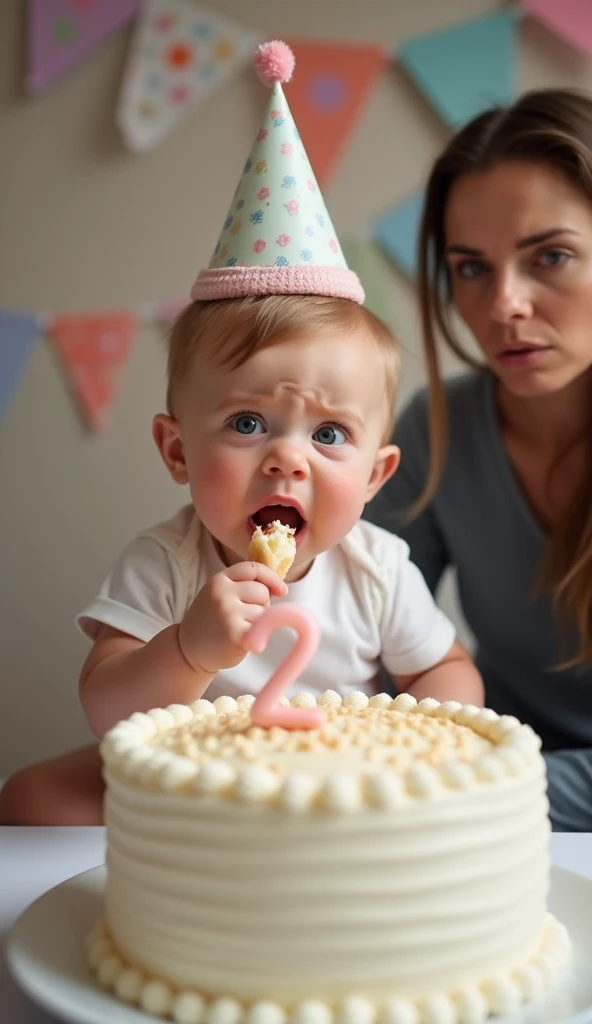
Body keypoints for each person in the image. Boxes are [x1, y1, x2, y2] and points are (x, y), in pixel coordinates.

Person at [0, 42, 483, 826]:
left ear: (376, 474)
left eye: (330, 434)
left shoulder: (378, 567)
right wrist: (188, 648)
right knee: (28, 798)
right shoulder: (166, 563)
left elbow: (446, 669)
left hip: (331, 782)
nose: (287, 457)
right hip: (188, 791)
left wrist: (426, 731)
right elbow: (106, 709)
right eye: (248, 424)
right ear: (176, 450)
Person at [366, 87, 592, 833]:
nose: (504, 305)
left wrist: (464, 786)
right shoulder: (435, 431)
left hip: (489, 798)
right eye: (471, 268)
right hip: (487, 793)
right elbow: (362, 637)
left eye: (550, 257)